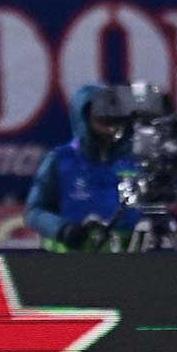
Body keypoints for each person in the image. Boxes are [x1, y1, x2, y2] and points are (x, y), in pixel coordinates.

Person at [25, 85, 140, 253]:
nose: (110, 129)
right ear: (84, 119)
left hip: (129, 262)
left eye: (116, 120)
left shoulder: (137, 162)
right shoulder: (60, 160)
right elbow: (35, 212)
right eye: (102, 120)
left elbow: (152, 207)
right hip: (71, 260)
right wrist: (62, 229)